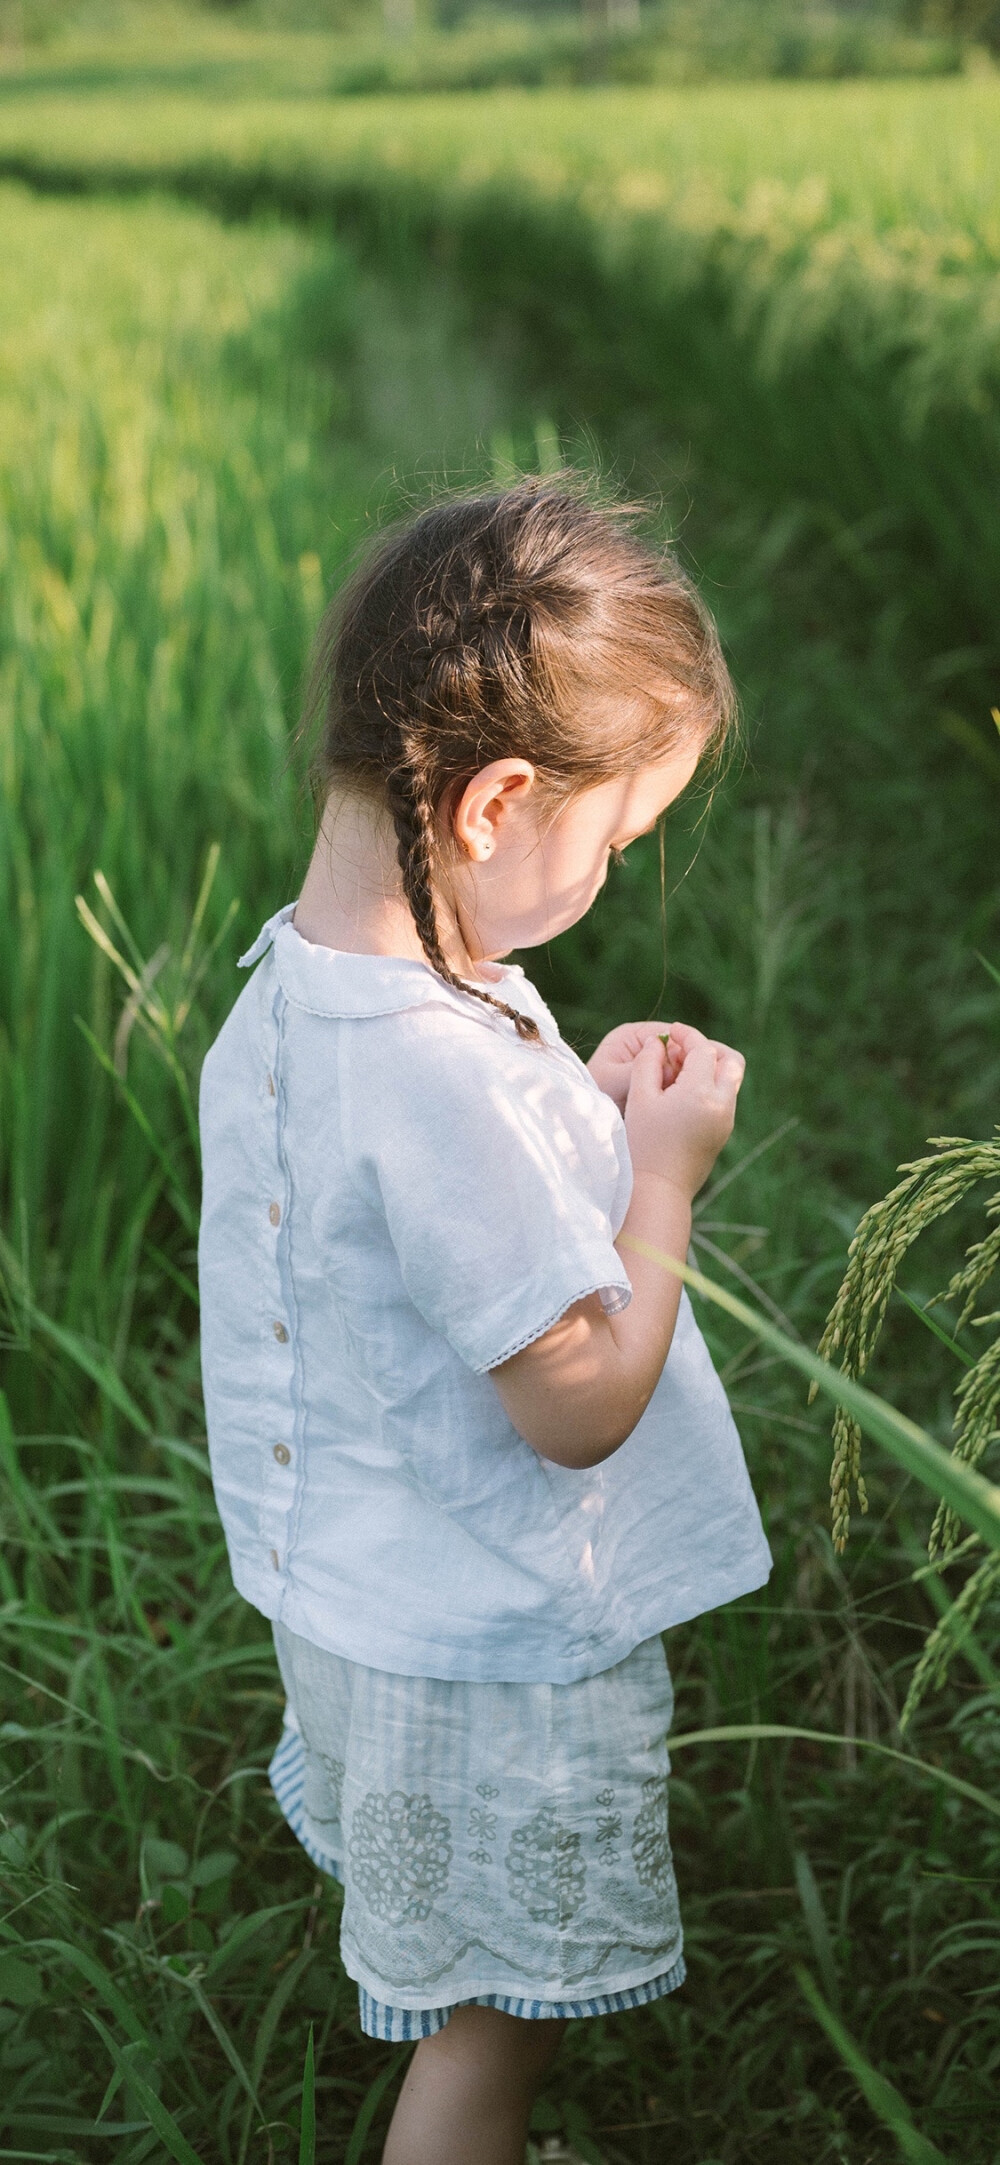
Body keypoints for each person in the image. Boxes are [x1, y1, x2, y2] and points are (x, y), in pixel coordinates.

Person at [197, 479, 772, 2165]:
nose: (611, 877)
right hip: (491, 1643)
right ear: (497, 801)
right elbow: (580, 1394)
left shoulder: (305, 986)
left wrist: (571, 1130)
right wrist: (657, 1180)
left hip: (374, 1593)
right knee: (485, 2039)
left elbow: (429, 1246)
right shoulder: (431, 1076)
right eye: (614, 841)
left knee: (464, 1993)